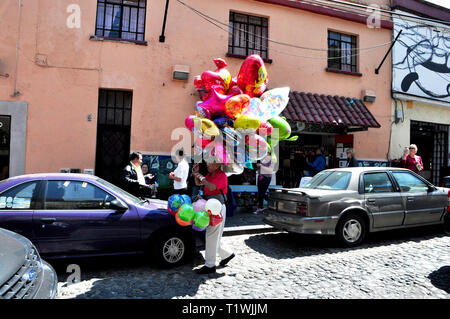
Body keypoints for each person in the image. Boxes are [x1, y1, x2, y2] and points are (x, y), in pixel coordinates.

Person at [192, 162, 235, 275]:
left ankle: (210, 265)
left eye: (209, 164)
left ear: (216, 165)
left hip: (217, 207)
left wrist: (201, 176)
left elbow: (211, 186)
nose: (207, 165)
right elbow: (199, 183)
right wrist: (196, 174)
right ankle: (227, 254)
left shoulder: (222, 175)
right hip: (211, 206)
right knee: (214, 235)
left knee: (211, 235)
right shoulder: (210, 175)